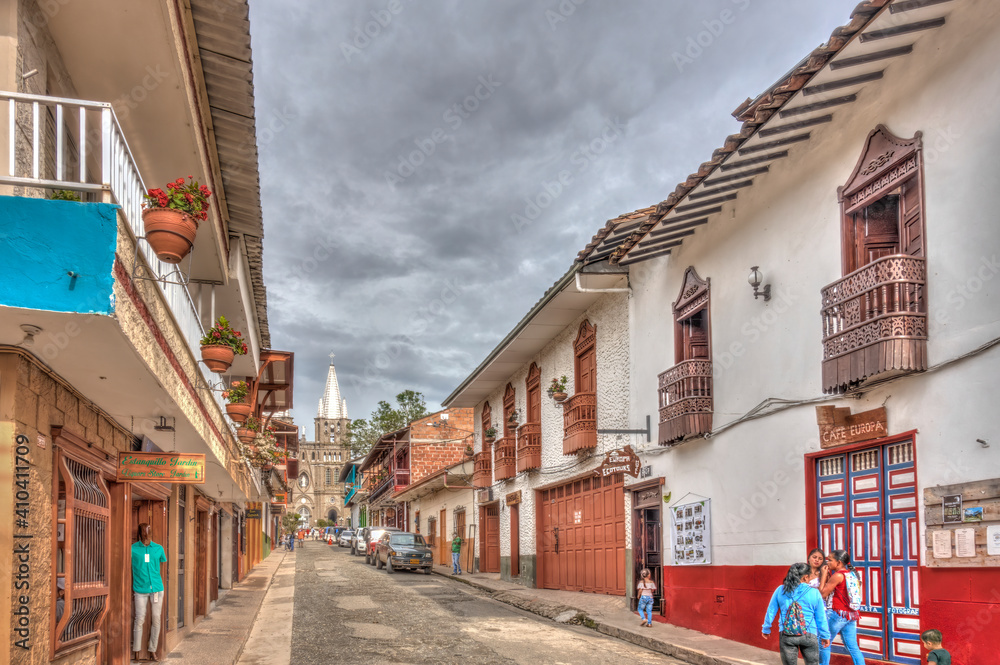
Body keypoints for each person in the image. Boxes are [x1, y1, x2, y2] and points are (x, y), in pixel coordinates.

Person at [762, 562, 831, 665]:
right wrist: (825, 635)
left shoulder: (780, 590)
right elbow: (821, 617)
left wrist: (766, 628)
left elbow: (771, 611)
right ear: (805, 577)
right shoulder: (814, 592)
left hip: (787, 634)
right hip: (809, 634)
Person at [819, 550, 865, 665]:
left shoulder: (838, 575)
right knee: (853, 646)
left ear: (839, 563)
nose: (827, 562)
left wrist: (824, 575)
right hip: (850, 615)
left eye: (830, 560)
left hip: (837, 614)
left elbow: (822, 594)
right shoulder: (852, 574)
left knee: (824, 642)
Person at [132, 523, 167, 660]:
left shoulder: (158, 548)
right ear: (140, 533)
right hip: (140, 589)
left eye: (148, 531)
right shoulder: (132, 549)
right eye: (144, 532)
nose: (146, 534)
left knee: (156, 619)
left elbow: (162, 564)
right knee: (139, 618)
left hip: (157, 589)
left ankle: (152, 650)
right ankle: (136, 650)